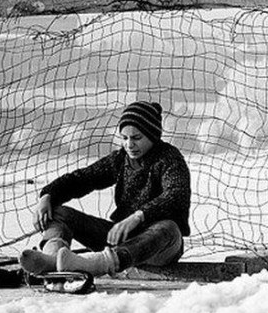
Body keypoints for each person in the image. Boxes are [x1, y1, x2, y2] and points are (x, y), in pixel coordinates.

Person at [19, 101, 191, 277]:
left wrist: (138, 216)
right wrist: (47, 195)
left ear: (152, 135)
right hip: (121, 238)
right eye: (124, 138)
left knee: (169, 228)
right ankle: (53, 260)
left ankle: (99, 264)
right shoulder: (120, 159)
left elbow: (176, 194)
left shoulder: (170, 159)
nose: (129, 144)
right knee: (59, 213)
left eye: (136, 138)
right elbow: (83, 178)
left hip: (160, 246)